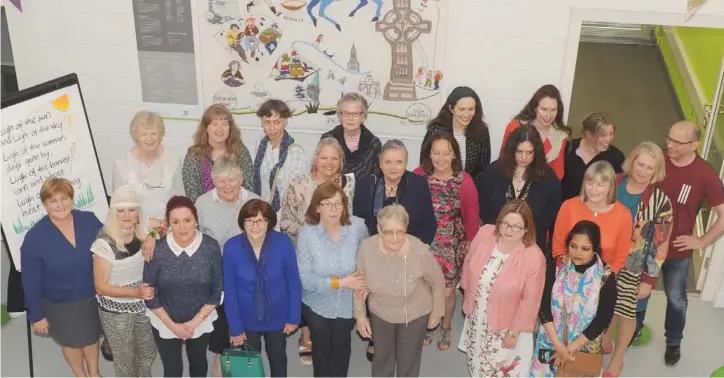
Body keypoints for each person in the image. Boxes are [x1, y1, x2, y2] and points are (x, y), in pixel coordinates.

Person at [638, 121, 724, 366]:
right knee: (638, 288)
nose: (670, 145)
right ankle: (635, 326)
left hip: (677, 251)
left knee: (676, 299)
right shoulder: (658, 160)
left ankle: (673, 343)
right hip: (646, 244)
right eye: (669, 138)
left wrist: (701, 241)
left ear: (694, 145)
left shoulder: (705, 174)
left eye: (677, 142)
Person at [353, 139, 437, 360]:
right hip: (376, 251)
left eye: (399, 162)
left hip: (408, 251)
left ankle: (404, 333)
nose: (393, 167)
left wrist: (421, 248)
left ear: (406, 162)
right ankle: (376, 338)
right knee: (378, 293)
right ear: (379, 163)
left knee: (403, 294)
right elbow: (360, 222)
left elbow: (429, 221)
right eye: (388, 162)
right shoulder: (366, 184)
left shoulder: (418, 184)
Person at [279, 137, 356, 365]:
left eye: (334, 158)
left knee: (336, 288)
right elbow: (284, 221)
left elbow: (350, 219)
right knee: (309, 289)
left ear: (341, 161)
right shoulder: (298, 185)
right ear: (316, 159)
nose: (329, 162)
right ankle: (307, 335)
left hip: (339, 250)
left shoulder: (348, 184)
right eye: (324, 157)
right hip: (306, 251)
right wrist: (310, 235)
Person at [21, 178, 104, 377]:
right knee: (73, 342)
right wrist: (37, 315)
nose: (60, 205)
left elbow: (108, 247)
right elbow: (30, 281)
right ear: (45, 204)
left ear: (71, 199)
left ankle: (94, 373)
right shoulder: (35, 238)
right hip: (60, 302)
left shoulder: (89, 220)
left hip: (91, 295)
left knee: (91, 337)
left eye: (64, 198)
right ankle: (80, 374)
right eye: (53, 201)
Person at [602, 142, 673, 375]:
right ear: (631, 162)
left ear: (657, 171)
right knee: (604, 304)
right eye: (640, 164)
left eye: (649, 168)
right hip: (604, 260)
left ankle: (618, 357)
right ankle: (603, 338)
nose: (643, 171)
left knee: (626, 310)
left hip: (634, 266)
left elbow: (660, 246)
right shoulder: (613, 183)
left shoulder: (660, 202)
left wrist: (648, 280)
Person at [355, 204, 445, 377]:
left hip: (414, 312)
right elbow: (359, 284)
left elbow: (437, 280)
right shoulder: (367, 248)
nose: (395, 238)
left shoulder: (419, 249)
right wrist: (360, 315)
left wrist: (437, 312)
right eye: (389, 232)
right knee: (382, 358)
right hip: (380, 312)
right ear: (379, 229)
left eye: (400, 231)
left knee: (409, 361)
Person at [459, 199, 546, 376]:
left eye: (516, 226)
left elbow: (531, 301)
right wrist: (467, 294)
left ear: (526, 229)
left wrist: (513, 333)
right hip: (478, 317)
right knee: (476, 364)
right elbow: (469, 263)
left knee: (501, 370)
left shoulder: (534, 257)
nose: (508, 230)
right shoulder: (485, 233)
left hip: (506, 327)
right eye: (505, 223)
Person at [412, 132, 479, 350]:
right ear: (429, 154)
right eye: (436, 153)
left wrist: (471, 249)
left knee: (448, 292)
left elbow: (471, 220)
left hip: (451, 245)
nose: (441, 158)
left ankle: (446, 326)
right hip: (423, 243)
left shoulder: (464, 181)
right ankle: (423, 325)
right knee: (422, 288)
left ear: (454, 155)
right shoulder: (418, 175)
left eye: (446, 153)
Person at [143, 196, 223, 377]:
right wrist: (172, 326)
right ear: (168, 224)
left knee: (199, 364)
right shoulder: (158, 249)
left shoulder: (210, 247)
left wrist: (195, 322)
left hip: (201, 319)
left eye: (187, 220)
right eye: (176, 222)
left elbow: (218, 291)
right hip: (165, 319)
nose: (182, 227)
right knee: (172, 369)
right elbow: (149, 293)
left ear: (196, 220)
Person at [194, 156, 259, 376]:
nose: (228, 186)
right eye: (222, 181)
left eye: (232, 180)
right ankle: (221, 355)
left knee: (241, 302)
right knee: (221, 304)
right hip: (215, 267)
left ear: (241, 179)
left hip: (247, 267)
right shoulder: (202, 203)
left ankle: (235, 353)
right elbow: (197, 239)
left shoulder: (254, 201)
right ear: (213, 181)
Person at [297, 182, 369, 377]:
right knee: (322, 349)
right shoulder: (307, 234)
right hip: (316, 301)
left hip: (347, 302)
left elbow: (366, 262)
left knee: (342, 349)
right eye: (328, 204)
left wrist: (362, 285)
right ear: (318, 207)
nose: (334, 209)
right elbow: (306, 280)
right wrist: (340, 282)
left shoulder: (358, 227)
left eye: (338, 204)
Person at [224, 199, 303, 377]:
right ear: (242, 223)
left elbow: (293, 283)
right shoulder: (232, 247)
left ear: (269, 222)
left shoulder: (283, 243)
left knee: (278, 359)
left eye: (260, 220)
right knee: (248, 365)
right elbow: (230, 290)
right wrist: (235, 327)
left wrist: (293, 316)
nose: (255, 226)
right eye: (249, 220)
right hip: (246, 316)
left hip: (278, 314)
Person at [531, 220, 618, 377]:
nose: (577, 253)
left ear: (595, 249)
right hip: (550, 342)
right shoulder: (557, 265)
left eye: (585, 249)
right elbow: (544, 306)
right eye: (573, 246)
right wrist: (559, 346)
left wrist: (568, 350)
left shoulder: (606, 276)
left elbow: (602, 320)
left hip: (583, 349)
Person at [91, 186, 157, 377]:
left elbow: (168, 222)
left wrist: (152, 236)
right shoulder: (104, 244)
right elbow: (100, 287)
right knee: (124, 360)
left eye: (132, 209)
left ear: (138, 212)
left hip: (142, 303)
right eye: (121, 210)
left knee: (147, 350)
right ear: (113, 213)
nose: (127, 215)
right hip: (116, 311)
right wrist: (135, 292)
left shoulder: (142, 229)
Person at [479, 124, 561, 256]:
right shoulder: (494, 171)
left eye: (529, 152)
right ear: (512, 150)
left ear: (536, 152)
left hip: (529, 244)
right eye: (519, 151)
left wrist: (523, 233)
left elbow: (551, 213)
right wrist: (504, 231)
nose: (524, 157)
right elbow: (483, 206)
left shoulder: (548, 177)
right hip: (496, 240)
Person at [552, 161, 633, 274]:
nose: (593, 189)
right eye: (589, 183)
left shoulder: (623, 214)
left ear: (611, 186)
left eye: (600, 185)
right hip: (567, 277)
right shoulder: (568, 206)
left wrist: (601, 279)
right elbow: (558, 247)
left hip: (602, 279)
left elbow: (620, 257)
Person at [112, 110, 184, 233]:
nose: (149, 138)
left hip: (170, 228)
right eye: (144, 134)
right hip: (136, 231)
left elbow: (180, 196)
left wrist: (168, 223)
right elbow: (119, 207)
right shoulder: (122, 163)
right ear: (136, 137)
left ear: (160, 135)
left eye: (153, 133)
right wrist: (146, 224)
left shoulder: (173, 158)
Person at [183, 104, 255, 202]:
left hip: (238, 210)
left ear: (230, 128)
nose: (220, 129)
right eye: (214, 124)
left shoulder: (240, 150)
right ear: (206, 128)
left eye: (224, 124)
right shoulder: (194, 155)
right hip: (206, 211)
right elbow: (192, 195)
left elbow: (249, 186)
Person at [500, 84, 572, 180]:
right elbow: (503, 160)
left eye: (553, 110)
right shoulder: (515, 126)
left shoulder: (560, 137)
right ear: (535, 108)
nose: (548, 115)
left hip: (541, 188)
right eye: (544, 109)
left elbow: (557, 174)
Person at [422, 86, 491, 186]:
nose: (467, 114)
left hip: (468, 188)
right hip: (436, 187)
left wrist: (468, 187)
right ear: (451, 108)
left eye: (471, 109)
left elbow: (483, 168)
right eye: (462, 109)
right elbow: (425, 161)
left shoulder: (482, 132)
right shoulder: (436, 130)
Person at [251, 99, 308, 219]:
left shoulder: (295, 151)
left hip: (287, 213)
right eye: (267, 122)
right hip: (262, 211)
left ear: (285, 121)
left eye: (277, 122)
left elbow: (299, 189)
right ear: (262, 122)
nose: (272, 128)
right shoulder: (259, 145)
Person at [561, 112, 625, 201]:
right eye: (603, 135)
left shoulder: (615, 157)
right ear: (589, 134)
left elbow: (615, 190)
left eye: (611, 134)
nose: (608, 139)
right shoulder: (567, 148)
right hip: (565, 208)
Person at [320, 92, 382, 179]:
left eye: (356, 114)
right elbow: (318, 171)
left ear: (363, 117)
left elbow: (377, 178)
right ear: (339, 116)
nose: (350, 118)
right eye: (345, 113)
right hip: (331, 190)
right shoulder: (327, 139)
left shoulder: (374, 144)